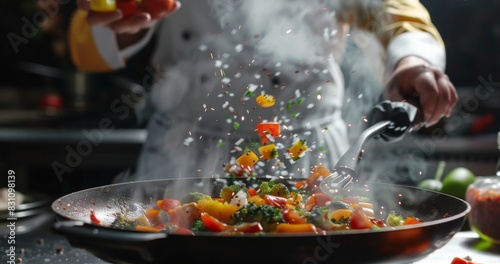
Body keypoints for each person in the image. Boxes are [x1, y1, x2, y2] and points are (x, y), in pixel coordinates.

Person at [69, 0, 458, 181]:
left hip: (310, 156)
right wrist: (124, 19)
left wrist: (412, 60)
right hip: (183, 155)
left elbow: (394, 11)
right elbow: (87, 43)